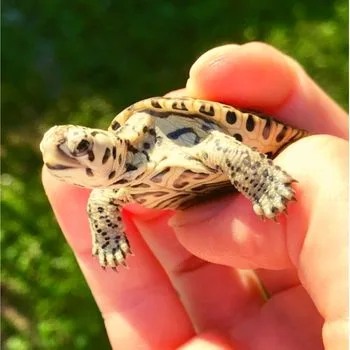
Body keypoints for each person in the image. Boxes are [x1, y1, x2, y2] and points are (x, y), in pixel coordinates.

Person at [42, 42, 348, 350]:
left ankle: (264, 181)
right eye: (56, 161)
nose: (70, 159)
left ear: (108, 142)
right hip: (202, 198)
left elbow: (220, 145)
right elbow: (100, 198)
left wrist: (262, 183)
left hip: (249, 147)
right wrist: (108, 237)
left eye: (81, 146)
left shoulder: (155, 129)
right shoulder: (110, 192)